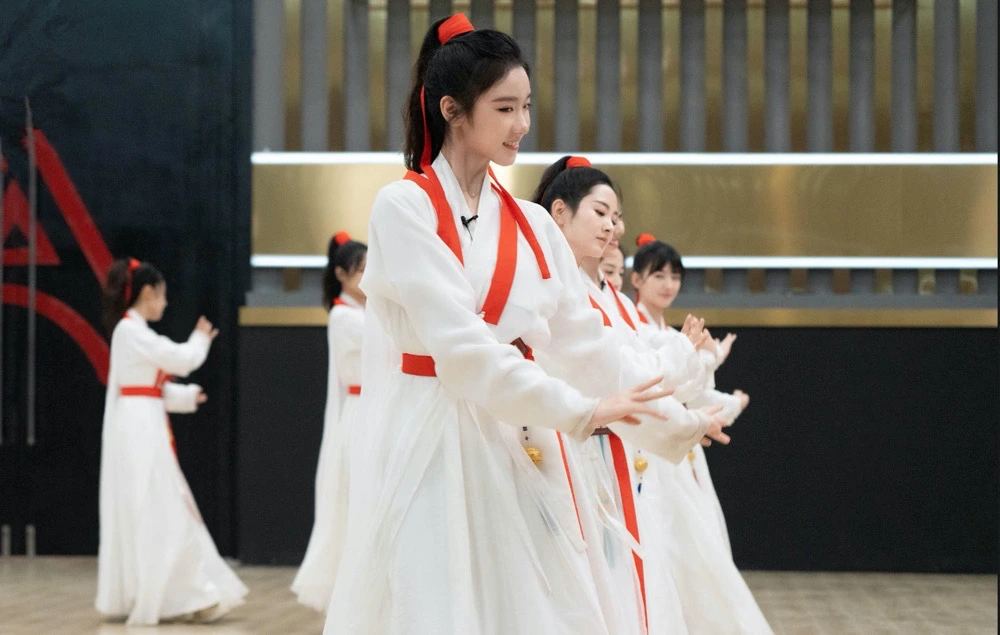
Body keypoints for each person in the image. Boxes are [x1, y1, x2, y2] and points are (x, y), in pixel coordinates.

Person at [323, 15, 725, 635]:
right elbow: (462, 349)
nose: (523, 124)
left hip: (519, 437)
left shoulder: (534, 225)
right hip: (432, 438)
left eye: (527, 106)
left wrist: (679, 420)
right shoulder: (403, 207)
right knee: (438, 607)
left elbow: (587, 346)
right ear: (453, 110)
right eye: (505, 108)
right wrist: (579, 411)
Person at [96, 258, 247, 626]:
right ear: (148, 292)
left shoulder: (131, 332)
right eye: (162, 295)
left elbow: (148, 387)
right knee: (158, 506)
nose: (165, 303)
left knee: (157, 506)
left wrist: (185, 396)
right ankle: (181, 595)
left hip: (142, 423)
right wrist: (199, 339)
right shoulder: (131, 331)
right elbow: (179, 359)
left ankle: (175, 593)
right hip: (140, 432)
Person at [292, 232, 367, 611]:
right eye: (361, 271)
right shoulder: (343, 316)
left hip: (373, 407)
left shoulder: (364, 313)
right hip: (360, 412)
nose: (368, 278)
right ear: (341, 274)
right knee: (356, 500)